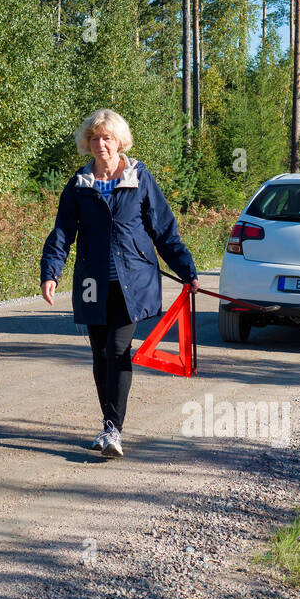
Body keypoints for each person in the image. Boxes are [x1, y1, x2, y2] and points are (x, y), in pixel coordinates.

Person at [40, 110, 199, 458]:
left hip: (134, 282)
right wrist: (51, 272)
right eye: (95, 138)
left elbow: (164, 230)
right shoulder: (80, 185)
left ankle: (113, 430)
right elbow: (62, 233)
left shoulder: (139, 178)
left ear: (119, 141)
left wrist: (187, 270)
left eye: (107, 138)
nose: (101, 144)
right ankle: (108, 426)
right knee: (99, 353)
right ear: (88, 143)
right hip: (93, 283)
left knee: (116, 349)